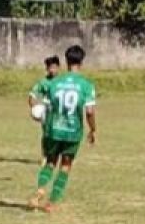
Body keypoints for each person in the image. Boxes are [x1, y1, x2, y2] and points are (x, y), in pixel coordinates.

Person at [29, 45, 96, 213]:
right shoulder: (86, 85)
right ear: (81, 62)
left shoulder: (55, 83)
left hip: (53, 129)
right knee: (65, 166)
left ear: (66, 61)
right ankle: (51, 202)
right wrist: (93, 129)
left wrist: (38, 115)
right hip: (73, 132)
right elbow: (89, 111)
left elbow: (47, 107)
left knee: (50, 162)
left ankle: (40, 189)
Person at [28, 55, 61, 162]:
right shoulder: (43, 82)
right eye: (50, 68)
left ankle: (57, 155)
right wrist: (35, 110)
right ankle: (45, 156)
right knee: (47, 134)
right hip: (47, 111)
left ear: (59, 67)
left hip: (60, 112)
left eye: (54, 67)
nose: (52, 70)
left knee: (58, 134)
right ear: (46, 69)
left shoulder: (63, 81)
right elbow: (32, 96)